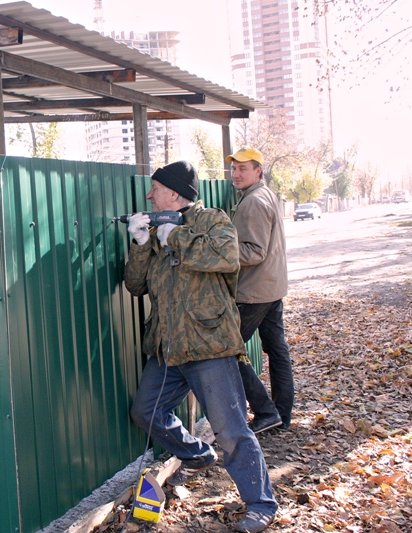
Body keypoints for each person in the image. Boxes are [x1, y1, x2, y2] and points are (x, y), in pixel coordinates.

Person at [124, 161, 278, 533]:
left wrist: (173, 236)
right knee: (146, 412)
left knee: (231, 430)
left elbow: (227, 257)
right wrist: (142, 243)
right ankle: (197, 454)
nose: (149, 195)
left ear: (174, 193)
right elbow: (135, 285)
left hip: (208, 346)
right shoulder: (159, 226)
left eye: (155, 188)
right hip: (168, 348)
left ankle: (261, 504)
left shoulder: (214, 220)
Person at [226, 146, 294, 434]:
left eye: (243, 168)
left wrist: (219, 251)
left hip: (254, 291)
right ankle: (281, 413)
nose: (236, 173)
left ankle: (266, 411)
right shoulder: (266, 195)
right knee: (277, 350)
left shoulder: (253, 201)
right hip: (272, 286)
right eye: (234, 168)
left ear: (258, 171)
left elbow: (253, 251)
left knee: (225, 350)